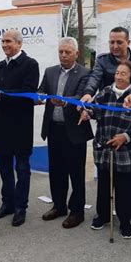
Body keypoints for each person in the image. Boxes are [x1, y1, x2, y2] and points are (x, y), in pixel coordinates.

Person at [81, 26, 131, 226]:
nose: (115, 46)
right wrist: (88, 94)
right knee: (104, 177)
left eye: (119, 42)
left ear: (128, 42)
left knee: (130, 176)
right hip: (108, 121)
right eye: (111, 42)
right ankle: (103, 214)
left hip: (130, 119)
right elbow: (94, 78)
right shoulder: (102, 60)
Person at [0, 29, 39, 227]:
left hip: (20, 126)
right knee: (4, 168)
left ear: (19, 44)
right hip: (1, 125)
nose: (4, 44)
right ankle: (8, 203)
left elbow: (28, 93)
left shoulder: (30, 64)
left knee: (22, 169)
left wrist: (0, 95)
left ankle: (21, 207)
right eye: (2, 41)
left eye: (8, 41)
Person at [79, 61, 131, 238]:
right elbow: (94, 110)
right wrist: (87, 113)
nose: (118, 76)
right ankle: (103, 215)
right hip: (104, 149)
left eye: (123, 74)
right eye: (117, 73)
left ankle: (124, 221)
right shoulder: (106, 91)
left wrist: (126, 137)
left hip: (125, 151)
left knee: (125, 188)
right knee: (104, 185)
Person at [38, 37, 93, 228]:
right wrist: (39, 98)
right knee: (56, 171)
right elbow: (42, 90)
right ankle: (58, 206)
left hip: (75, 131)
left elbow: (82, 95)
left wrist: (65, 101)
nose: (63, 55)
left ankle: (77, 212)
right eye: (61, 52)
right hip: (54, 129)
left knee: (76, 173)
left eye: (67, 52)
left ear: (76, 54)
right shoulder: (50, 71)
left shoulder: (85, 73)